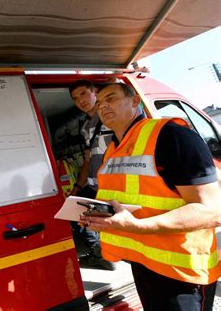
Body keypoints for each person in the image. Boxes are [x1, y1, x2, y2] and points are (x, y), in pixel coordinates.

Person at [82, 82, 221, 310]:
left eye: (111, 98)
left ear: (135, 101)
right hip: (144, 262)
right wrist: (101, 218)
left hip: (182, 272)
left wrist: (137, 226)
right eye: (99, 103)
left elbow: (211, 211)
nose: (103, 106)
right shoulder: (113, 149)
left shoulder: (171, 135)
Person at [68, 80, 115, 270]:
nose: (81, 100)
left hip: (114, 184)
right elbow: (88, 160)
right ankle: (100, 252)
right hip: (95, 184)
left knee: (112, 222)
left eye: (83, 94)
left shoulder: (110, 117)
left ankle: (109, 254)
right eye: (75, 98)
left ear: (94, 92)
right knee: (75, 211)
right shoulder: (86, 128)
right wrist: (77, 188)